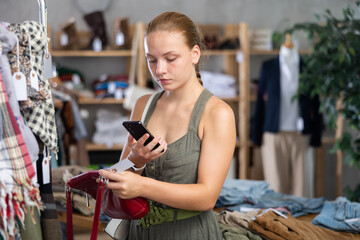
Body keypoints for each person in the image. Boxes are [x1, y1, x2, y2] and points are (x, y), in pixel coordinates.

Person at [99, 11, 236, 239]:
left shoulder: (217, 113)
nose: (159, 70)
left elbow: (207, 197)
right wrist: (136, 160)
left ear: (195, 54)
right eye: (151, 59)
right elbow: (121, 175)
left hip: (190, 233)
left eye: (170, 59)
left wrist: (142, 187)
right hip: (139, 232)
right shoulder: (144, 104)